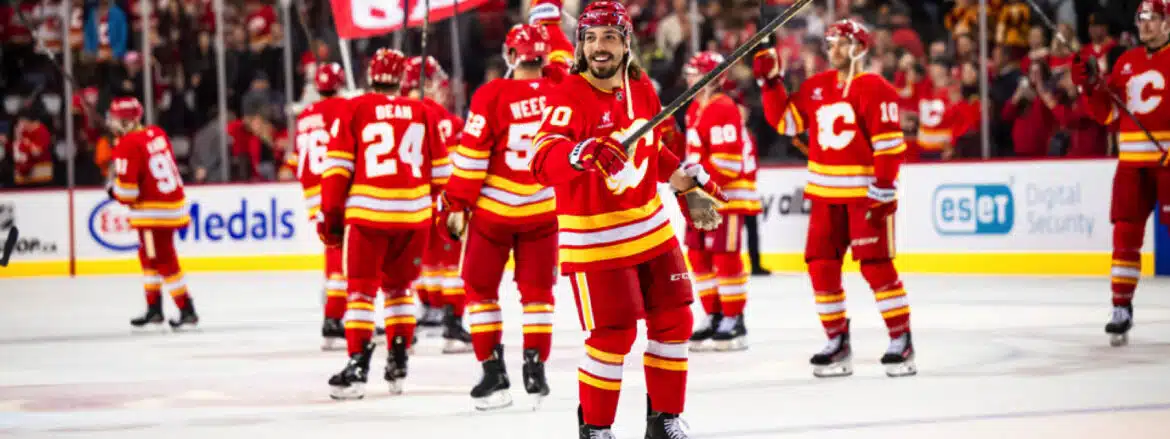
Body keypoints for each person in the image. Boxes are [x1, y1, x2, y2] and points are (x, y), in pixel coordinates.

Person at [529, 2, 727, 438]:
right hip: (596, 237)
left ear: (626, 43)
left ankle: (664, 420)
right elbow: (542, 159)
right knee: (613, 336)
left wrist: (683, 183)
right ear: (580, 45)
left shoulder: (642, 89)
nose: (599, 47)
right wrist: (581, 152)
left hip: (651, 230)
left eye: (610, 38)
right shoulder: (569, 94)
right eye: (591, 38)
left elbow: (651, 152)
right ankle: (596, 429)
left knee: (676, 321)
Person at [756, 19, 915, 378]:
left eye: (841, 42)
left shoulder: (876, 87)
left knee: (876, 266)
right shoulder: (816, 86)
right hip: (825, 195)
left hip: (864, 195)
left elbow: (889, 144)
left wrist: (885, 185)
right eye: (830, 43)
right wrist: (770, 83)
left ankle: (900, 338)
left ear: (860, 46)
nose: (834, 49)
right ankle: (837, 340)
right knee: (821, 267)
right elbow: (785, 121)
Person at [439, 23, 564, 411]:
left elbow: (473, 158)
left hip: (494, 213)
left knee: (479, 291)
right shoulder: (563, 92)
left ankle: (493, 373)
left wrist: (455, 203)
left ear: (511, 56)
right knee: (539, 294)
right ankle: (535, 366)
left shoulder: (492, 93)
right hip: (544, 210)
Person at [319, 48, 450, 400]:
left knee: (361, 291)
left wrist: (330, 216)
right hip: (414, 216)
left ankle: (358, 365)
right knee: (400, 290)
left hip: (369, 214)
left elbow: (336, 171)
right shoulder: (423, 112)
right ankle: (398, 360)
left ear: (370, 76)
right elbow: (441, 176)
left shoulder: (355, 108)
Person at [1071, 0, 1170, 347]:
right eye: (1141, 18)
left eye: (1153, 18)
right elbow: (1108, 116)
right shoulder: (1126, 62)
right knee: (1125, 236)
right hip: (1130, 164)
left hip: (1167, 164)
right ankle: (1121, 308)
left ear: (1167, 23)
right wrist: (1091, 86)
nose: (1145, 25)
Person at [681, 51, 753, 352]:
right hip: (701, 195)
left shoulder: (724, 108)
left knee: (725, 257)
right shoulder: (695, 108)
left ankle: (734, 319)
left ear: (713, 78)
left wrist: (699, 185)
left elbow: (728, 163)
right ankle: (714, 314)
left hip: (725, 196)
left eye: (695, 73)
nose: (690, 78)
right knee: (698, 256)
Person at [107, 96, 199, 331]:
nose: (112, 122)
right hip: (170, 205)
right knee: (149, 257)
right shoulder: (156, 133)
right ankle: (154, 308)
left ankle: (186, 308)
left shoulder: (126, 145)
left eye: (117, 119)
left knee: (163, 259)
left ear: (127, 121)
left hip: (152, 213)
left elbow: (127, 193)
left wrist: (113, 189)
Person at [402, 55, 472, 353]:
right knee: (452, 265)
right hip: (441, 202)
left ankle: (429, 310)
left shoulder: (394, 114)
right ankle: (452, 323)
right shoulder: (446, 119)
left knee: (425, 263)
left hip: (407, 203)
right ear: (427, 83)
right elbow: (458, 166)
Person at [293, 62, 350, 350]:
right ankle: (335, 316)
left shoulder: (304, 115)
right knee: (341, 254)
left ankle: (336, 307)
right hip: (335, 187)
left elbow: (295, 161)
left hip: (312, 191)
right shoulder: (345, 108)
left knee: (333, 250)